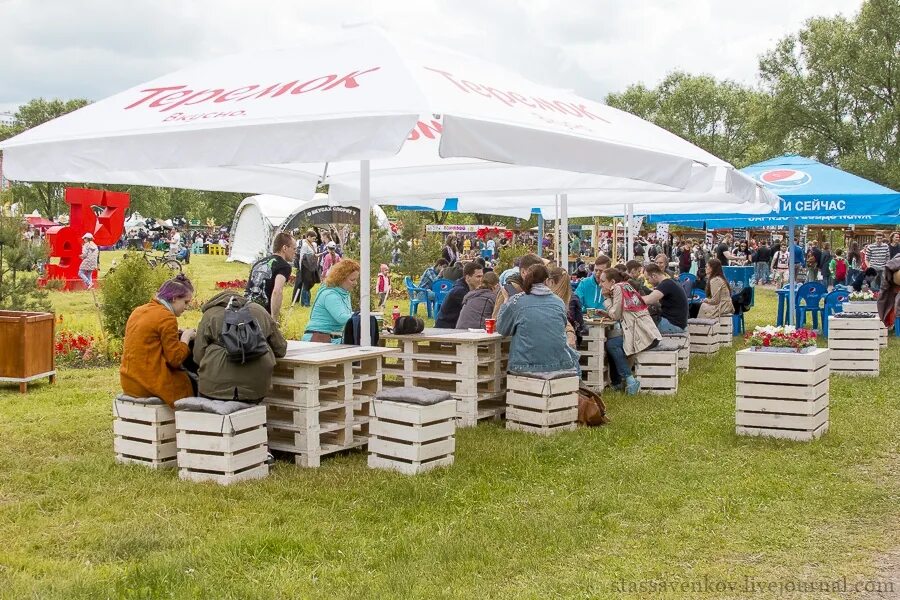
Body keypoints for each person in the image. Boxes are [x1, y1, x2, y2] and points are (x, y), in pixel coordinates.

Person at [193, 291, 288, 402]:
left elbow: (198, 355)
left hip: (213, 388)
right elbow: (281, 349)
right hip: (256, 388)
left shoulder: (210, 314)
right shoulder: (260, 311)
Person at [120, 274, 196, 407]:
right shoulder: (167, 318)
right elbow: (175, 359)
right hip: (148, 385)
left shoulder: (139, 310)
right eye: (186, 302)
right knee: (190, 382)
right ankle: (189, 422)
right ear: (174, 298)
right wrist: (185, 338)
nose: (186, 307)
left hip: (129, 382)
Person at [497, 264, 580, 373]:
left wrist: (506, 300)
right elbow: (562, 326)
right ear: (547, 281)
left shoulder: (516, 301)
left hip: (524, 366)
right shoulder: (559, 302)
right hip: (559, 363)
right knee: (573, 355)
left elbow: (502, 329)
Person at [596, 268, 661, 395]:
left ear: (612, 281)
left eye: (603, 281)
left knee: (612, 344)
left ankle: (629, 380)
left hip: (644, 336)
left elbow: (615, 314)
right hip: (648, 333)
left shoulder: (618, 288)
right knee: (612, 341)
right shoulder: (625, 286)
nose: (600, 284)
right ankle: (617, 383)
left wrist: (605, 298)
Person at [302, 259, 360, 342]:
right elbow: (342, 318)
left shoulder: (344, 294)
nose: (355, 283)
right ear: (341, 278)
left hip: (332, 338)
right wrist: (362, 318)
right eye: (352, 280)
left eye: (356, 279)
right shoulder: (330, 295)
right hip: (318, 339)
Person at [246, 232, 295, 320]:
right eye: (294, 249)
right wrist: (274, 320)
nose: (295, 252)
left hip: (246, 309)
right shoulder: (284, 266)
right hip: (262, 315)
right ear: (284, 248)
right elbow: (277, 291)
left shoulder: (259, 263)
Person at [641, 264, 689, 333]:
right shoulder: (671, 281)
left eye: (648, 279)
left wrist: (633, 298)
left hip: (673, 325)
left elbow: (649, 300)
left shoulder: (666, 284)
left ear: (654, 276)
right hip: (679, 323)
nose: (648, 282)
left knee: (640, 325)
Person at [435, 262, 484, 328]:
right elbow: (477, 310)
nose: (481, 280)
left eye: (482, 276)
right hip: (446, 329)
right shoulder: (459, 292)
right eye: (478, 276)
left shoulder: (469, 289)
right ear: (468, 277)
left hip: (458, 328)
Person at [547, 267, 580, 348]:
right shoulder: (574, 298)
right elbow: (580, 323)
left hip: (552, 341)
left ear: (550, 281)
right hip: (571, 342)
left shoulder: (548, 300)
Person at [292, 230, 319, 307]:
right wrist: (301, 268)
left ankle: (306, 301)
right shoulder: (304, 245)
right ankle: (305, 302)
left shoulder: (313, 244)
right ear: (308, 237)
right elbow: (302, 257)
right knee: (305, 285)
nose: (314, 240)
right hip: (305, 267)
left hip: (310, 267)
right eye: (313, 238)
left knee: (308, 284)